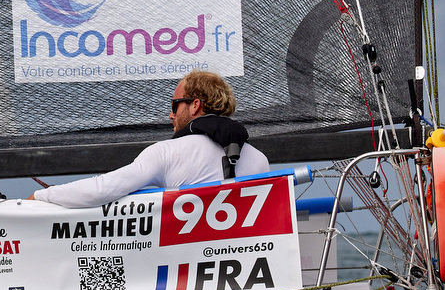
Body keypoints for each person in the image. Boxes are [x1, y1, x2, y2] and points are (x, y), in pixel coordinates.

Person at [29, 70, 268, 208]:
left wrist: (41, 196)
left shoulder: (167, 152)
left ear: (195, 105)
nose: (171, 114)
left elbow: (102, 190)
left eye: (176, 104)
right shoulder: (259, 160)